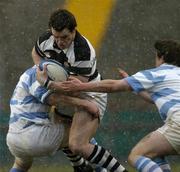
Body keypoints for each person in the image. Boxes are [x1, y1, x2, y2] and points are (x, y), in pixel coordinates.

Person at [49, 39, 180, 172]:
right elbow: (155, 98)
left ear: (161, 56)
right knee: (156, 154)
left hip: (177, 124)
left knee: (137, 155)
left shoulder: (155, 74)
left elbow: (113, 86)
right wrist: (135, 87)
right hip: (175, 125)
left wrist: (81, 86)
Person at [34, 8, 128, 172]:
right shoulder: (46, 38)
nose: (59, 42)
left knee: (78, 145)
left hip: (89, 93)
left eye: (64, 37)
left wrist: (46, 83)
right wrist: (40, 67)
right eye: (56, 37)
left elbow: (75, 89)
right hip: (65, 89)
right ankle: (81, 168)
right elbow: (36, 53)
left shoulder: (82, 51)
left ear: (74, 30)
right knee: (60, 136)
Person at [6, 64, 102, 172]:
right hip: (33, 136)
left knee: (21, 165)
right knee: (79, 132)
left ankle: (81, 167)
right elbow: (52, 98)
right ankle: (99, 169)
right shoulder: (43, 71)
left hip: (13, 138)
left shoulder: (29, 73)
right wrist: (85, 103)